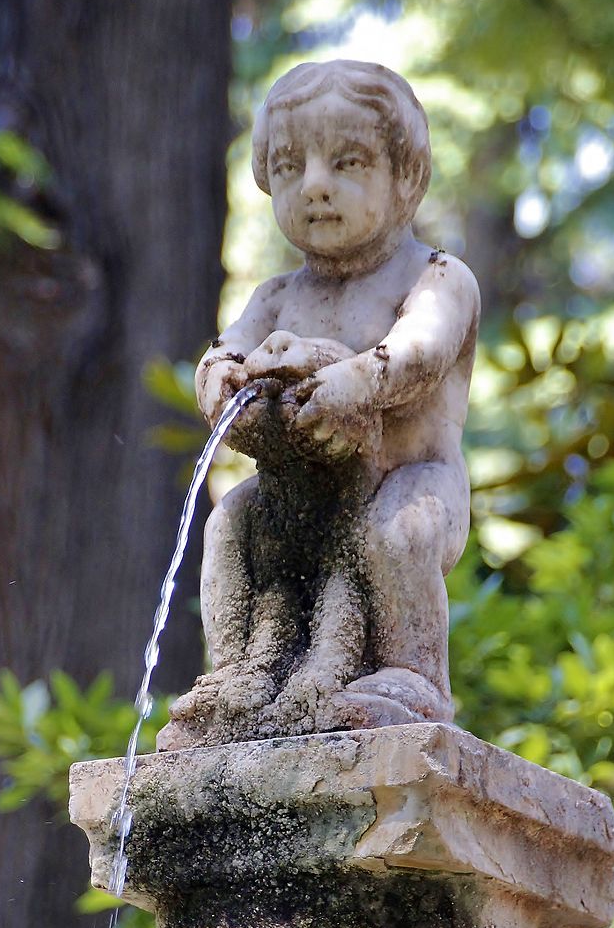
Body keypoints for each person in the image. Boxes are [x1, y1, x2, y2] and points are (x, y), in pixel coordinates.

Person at [161, 59, 480, 746]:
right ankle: (240, 679)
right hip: (300, 491)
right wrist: (218, 378)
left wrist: (357, 381)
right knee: (230, 523)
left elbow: (420, 353)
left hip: (410, 482)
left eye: (348, 161)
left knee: (395, 533)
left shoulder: (438, 276)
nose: (314, 187)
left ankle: (412, 676)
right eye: (287, 167)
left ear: (407, 177)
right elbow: (229, 352)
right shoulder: (277, 295)